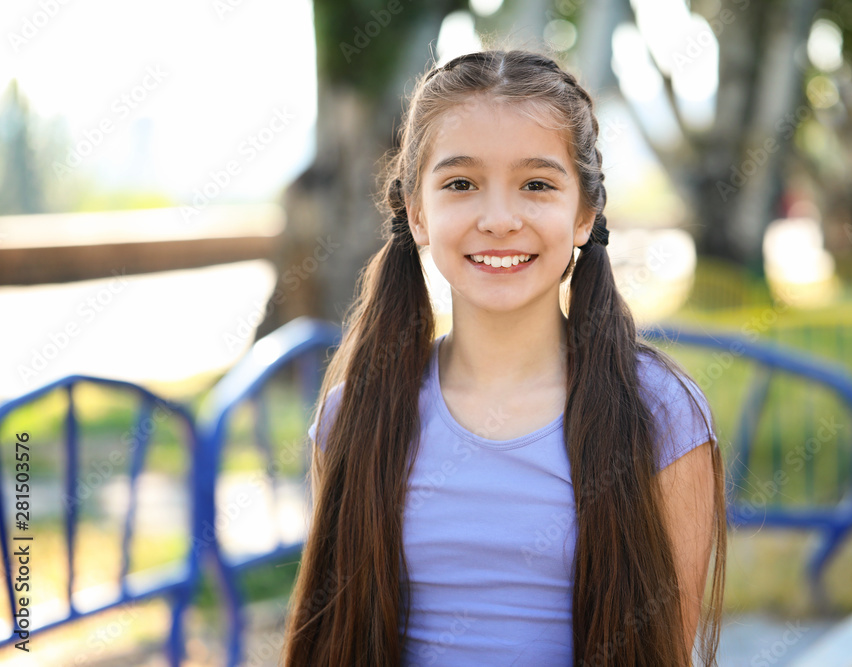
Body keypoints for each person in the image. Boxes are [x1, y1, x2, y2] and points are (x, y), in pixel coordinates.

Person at [281, 48, 726, 667]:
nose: (498, 219)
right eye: (461, 184)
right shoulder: (355, 417)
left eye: (537, 185)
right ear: (417, 214)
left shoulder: (660, 417)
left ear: (584, 214)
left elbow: (667, 650)